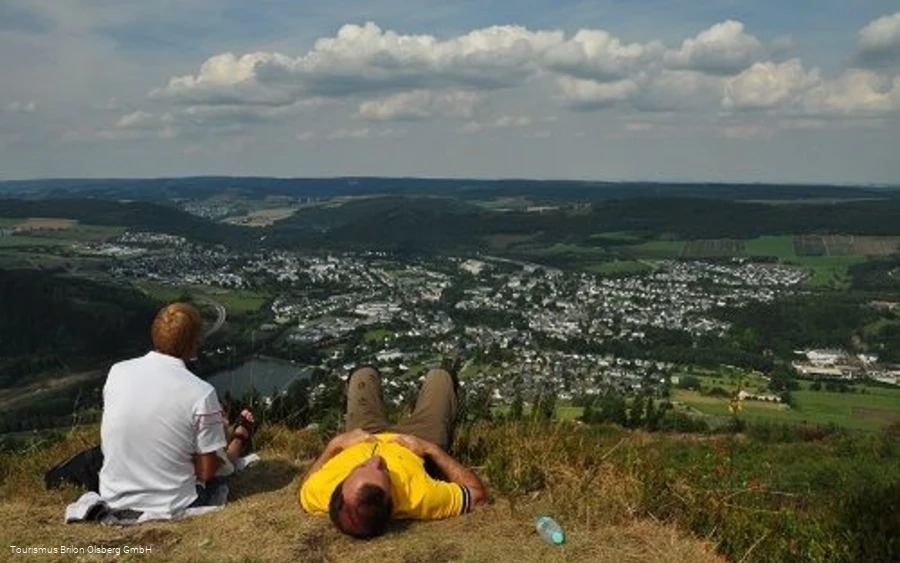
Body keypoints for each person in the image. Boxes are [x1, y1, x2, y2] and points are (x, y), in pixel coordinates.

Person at [97, 302, 253, 514]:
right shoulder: (201, 393)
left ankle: (235, 437)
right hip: (173, 502)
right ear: (194, 343)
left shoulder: (118, 372)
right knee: (219, 469)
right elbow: (207, 473)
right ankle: (240, 437)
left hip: (113, 496)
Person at [298, 365, 487, 539]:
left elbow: (305, 488)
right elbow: (477, 494)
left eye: (360, 467)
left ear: (340, 488)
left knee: (362, 374)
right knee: (441, 377)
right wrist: (430, 449)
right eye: (383, 470)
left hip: (363, 434)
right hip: (418, 439)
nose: (376, 459)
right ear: (392, 502)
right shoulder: (418, 496)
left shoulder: (322, 492)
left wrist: (335, 444)